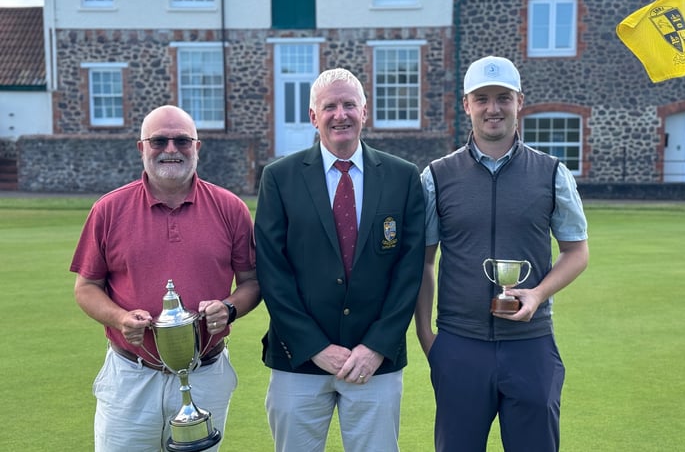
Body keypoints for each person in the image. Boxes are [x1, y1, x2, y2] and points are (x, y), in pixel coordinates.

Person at [415, 56, 589, 452]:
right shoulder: (437, 176)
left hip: (531, 345)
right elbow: (424, 262)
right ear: (466, 104)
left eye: (503, 98)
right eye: (482, 99)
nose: (493, 108)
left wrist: (538, 294)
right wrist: (429, 339)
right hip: (460, 344)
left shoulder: (551, 172)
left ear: (519, 102)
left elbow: (577, 252)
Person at [70, 105, 261, 451]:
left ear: (197, 147)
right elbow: (86, 287)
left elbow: (252, 282)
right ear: (141, 147)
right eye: (159, 141)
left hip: (205, 373)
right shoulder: (108, 210)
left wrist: (229, 309)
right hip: (131, 375)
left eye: (182, 141)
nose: (171, 150)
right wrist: (120, 318)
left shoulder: (231, 208)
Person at [254, 68, 425, 452]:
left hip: (375, 363)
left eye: (349, 104)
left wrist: (376, 346)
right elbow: (272, 271)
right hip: (297, 360)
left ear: (365, 111)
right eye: (329, 106)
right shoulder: (279, 178)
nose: (340, 114)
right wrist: (315, 347)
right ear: (313, 117)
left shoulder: (403, 177)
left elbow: (409, 271)